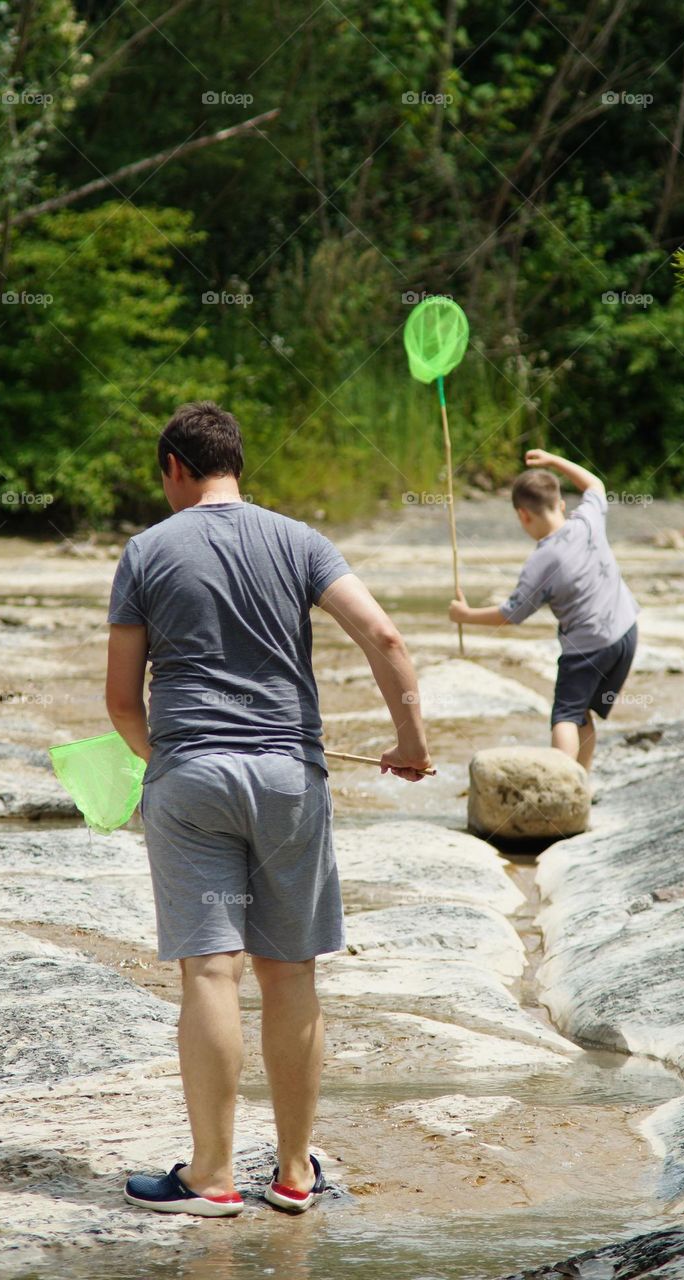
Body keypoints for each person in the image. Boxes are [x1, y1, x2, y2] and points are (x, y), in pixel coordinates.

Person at [106, 401, 431, 1218]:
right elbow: (384, 639)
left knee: (210, 970)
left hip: (189, 780)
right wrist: (411, 743)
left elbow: (119, 701)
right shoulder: (300, 541)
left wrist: (167, 763)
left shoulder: (146, 550)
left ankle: (211, 1176)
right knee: (289, 973)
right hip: (289, 777)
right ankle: (292, 1173)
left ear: (173, 467)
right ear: (236, 463)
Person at [448, 449, 638, 772]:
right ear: (561, 504)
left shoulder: (541, 561)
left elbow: (512, 614)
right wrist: (554, 461)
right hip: (626, 632)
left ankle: (562, 787)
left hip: (587, 647)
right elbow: (595, 484)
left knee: (564, 716)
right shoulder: (587, 520)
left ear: (523, 515)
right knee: (582, 713)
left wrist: (465, 615)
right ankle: (583, 785)